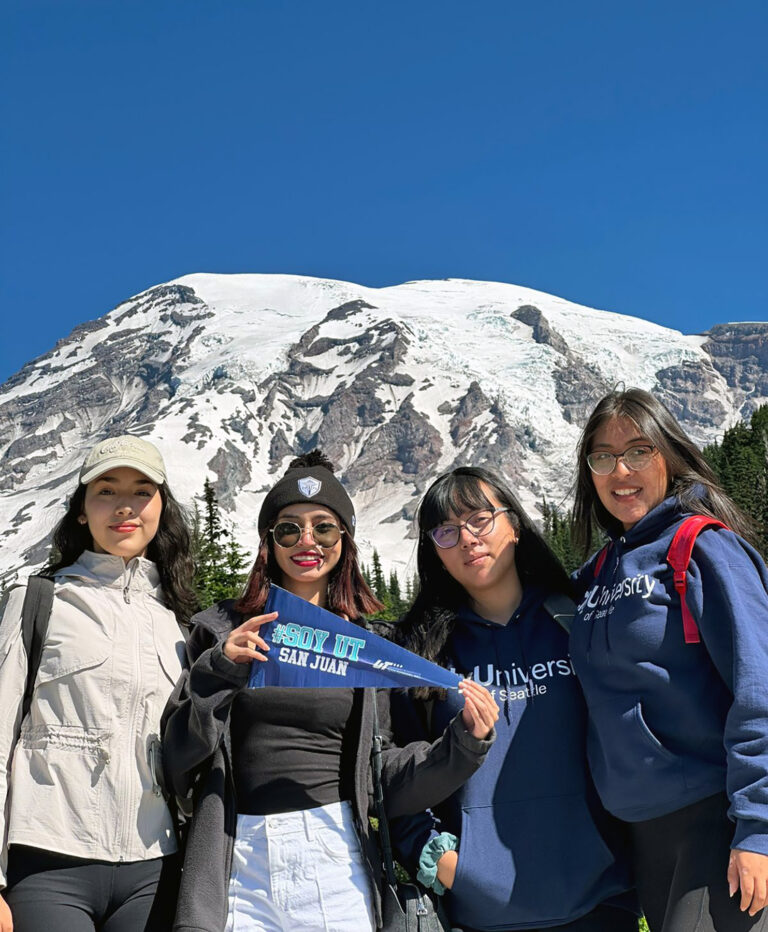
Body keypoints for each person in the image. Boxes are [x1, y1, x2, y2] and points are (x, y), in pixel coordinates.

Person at [161, 449, 499, 932]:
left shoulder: (371, 649)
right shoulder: (218, 630)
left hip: (336, 853)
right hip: (238, 858)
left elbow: (383, 778)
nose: (307, 541)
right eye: (288, 528)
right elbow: (178, 757)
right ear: (268, 542)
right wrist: (219, 669)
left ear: (344, 539)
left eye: (324, 527)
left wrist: (463, 746)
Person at [387, 466, 637, 932]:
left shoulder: (578, 618)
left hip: (602, 901)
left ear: (515, 526)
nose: (466, 539)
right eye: (446, 531)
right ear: (434, 552)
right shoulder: (420, 654)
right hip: (480, 913)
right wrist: (442, 863)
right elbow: (394, 775)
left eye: (480, 520)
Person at [569, 387, 768, 932]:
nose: (620, 470)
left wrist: (758, 830)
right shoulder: (600, 570)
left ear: (670, 455)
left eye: (639, 450)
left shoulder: (703, 546)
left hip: (713, 824)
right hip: (641, 835)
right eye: (603, 457)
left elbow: (760, 689)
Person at [0, 435, 196, 932]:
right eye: (106, 491)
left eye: (142, 492)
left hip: (153, 866)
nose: (125, 507)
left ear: (160, 509)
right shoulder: (38, 600)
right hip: (48, 859)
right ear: (82, 511)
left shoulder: (178, 622)